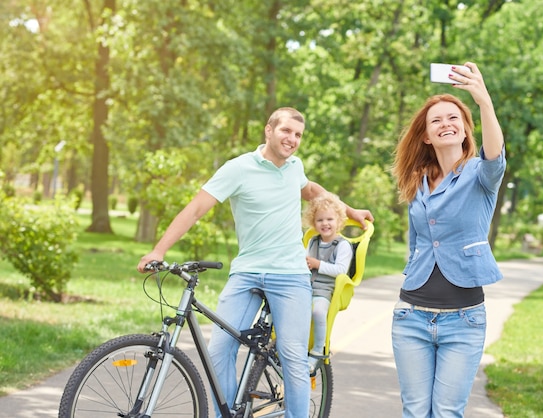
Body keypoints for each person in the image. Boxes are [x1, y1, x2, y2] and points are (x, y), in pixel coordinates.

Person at [137, 107, 373, 418]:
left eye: (298, 135)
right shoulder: (238, 169)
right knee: (219, 351)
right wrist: (159, 250)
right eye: (286, 131)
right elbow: (196, 209)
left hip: (290, 275)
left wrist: (351, 210)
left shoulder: (294, 167)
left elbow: (311, 190)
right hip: (246, 273)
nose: (292, 139)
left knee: (293, 358)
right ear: (269, 130)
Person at [390, 62, 506, 418]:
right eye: (436, 120)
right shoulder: (417, 181)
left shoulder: (481, 175)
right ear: (426, 135)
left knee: (446, 412)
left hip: (463, 320)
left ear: (465, 131)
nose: (446, 124)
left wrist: (482, 99)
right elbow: (418, 242)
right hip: (411, 316)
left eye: (453, 118)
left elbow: (494, 153)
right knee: (414, 411)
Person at [303, 192, 353, 373]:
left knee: (317, 311)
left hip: (325, 289)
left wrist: (318, 264)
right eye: (320, 220)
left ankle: (318, 350)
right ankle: (296, 348)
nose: (325, 223)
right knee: (293, 311)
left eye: (330, 219)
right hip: (307, 286)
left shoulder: (342, 245)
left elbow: (340, 270)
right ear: (313, 223)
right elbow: (305, 260)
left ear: (339, 221)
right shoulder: (313, 241)